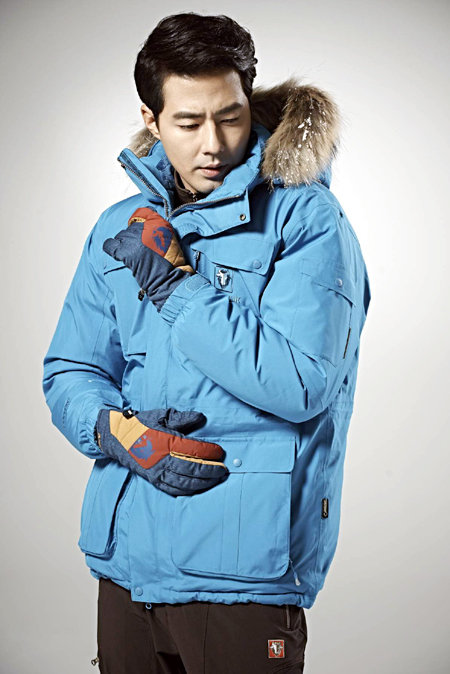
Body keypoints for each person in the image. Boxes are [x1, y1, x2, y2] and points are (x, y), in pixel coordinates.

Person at [42, 11, 371, 674]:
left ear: (250, 101)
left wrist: (176, 288)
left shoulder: (306, 219)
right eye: (189, 123)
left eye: (230, 116)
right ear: (152, 118)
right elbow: (71, 368)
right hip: (127, 565)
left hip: (243, 571)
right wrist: (115, 431)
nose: (213, 144)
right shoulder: (120, 227)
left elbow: (301, 383)